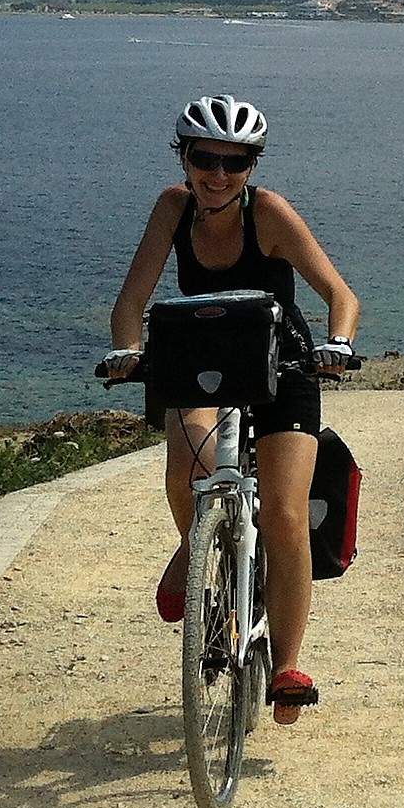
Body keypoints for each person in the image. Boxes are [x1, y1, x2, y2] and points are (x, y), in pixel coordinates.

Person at [100, 94, 359, 725]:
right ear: (183, 157)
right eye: (205, 158)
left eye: (235, 161)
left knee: (286, 513)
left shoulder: (268, 214)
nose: (218, 173)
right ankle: (196, 550)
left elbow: (339, 294)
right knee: (186, 465)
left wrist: (339, 344)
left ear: (252, 166)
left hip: (284, 365)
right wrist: (127, 350)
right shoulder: (172, 208)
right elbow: (131, 300)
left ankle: (288, 664)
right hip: (201, 360)